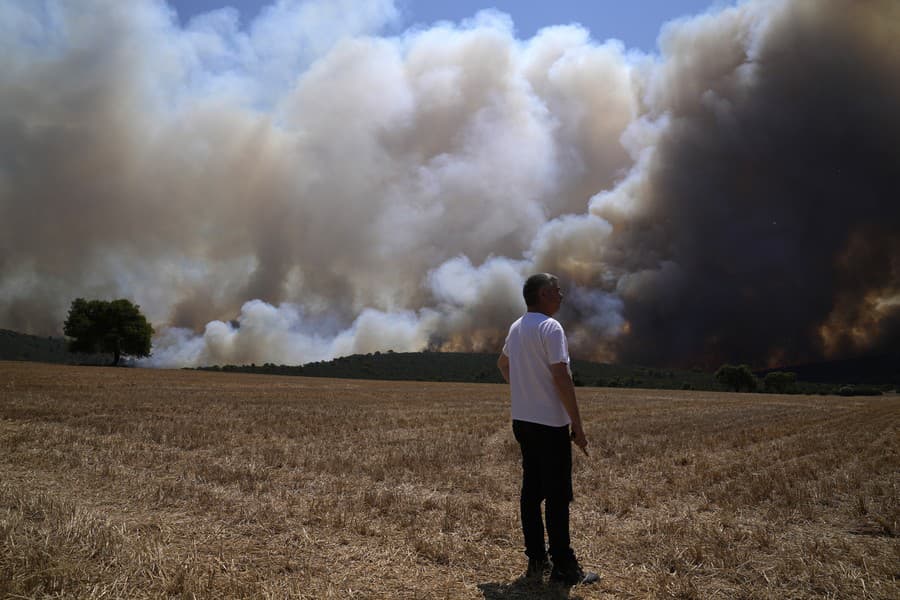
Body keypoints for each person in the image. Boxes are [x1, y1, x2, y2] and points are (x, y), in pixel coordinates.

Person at [497, 273, 598, 586]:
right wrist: (577, 424)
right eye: (557, 290)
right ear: (543, 294)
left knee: (531, 492)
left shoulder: (516, 327)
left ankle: (536, 559)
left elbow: (502, 364)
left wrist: (524, 389)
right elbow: (561, 376)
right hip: (550, 424)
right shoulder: (550, 327)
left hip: (523, 422)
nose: (562, 295)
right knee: (557, 496)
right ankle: (565, 568)